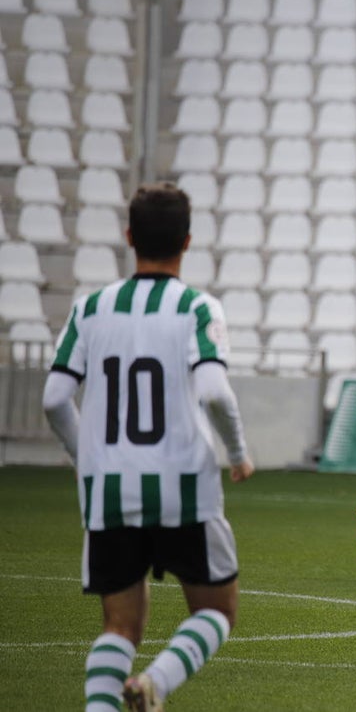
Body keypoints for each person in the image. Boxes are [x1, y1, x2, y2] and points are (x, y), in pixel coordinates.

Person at [41, 182, 254, 712]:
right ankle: (155, 682)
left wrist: (85, 458)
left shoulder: (90, 309)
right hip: (184, 487)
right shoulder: (197, 308)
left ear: (129, 236)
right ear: (187, 241)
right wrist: (237, 453)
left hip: (109, 491)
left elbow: (54, 399)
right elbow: (215, 392)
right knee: (216, 612)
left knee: (119, 627)